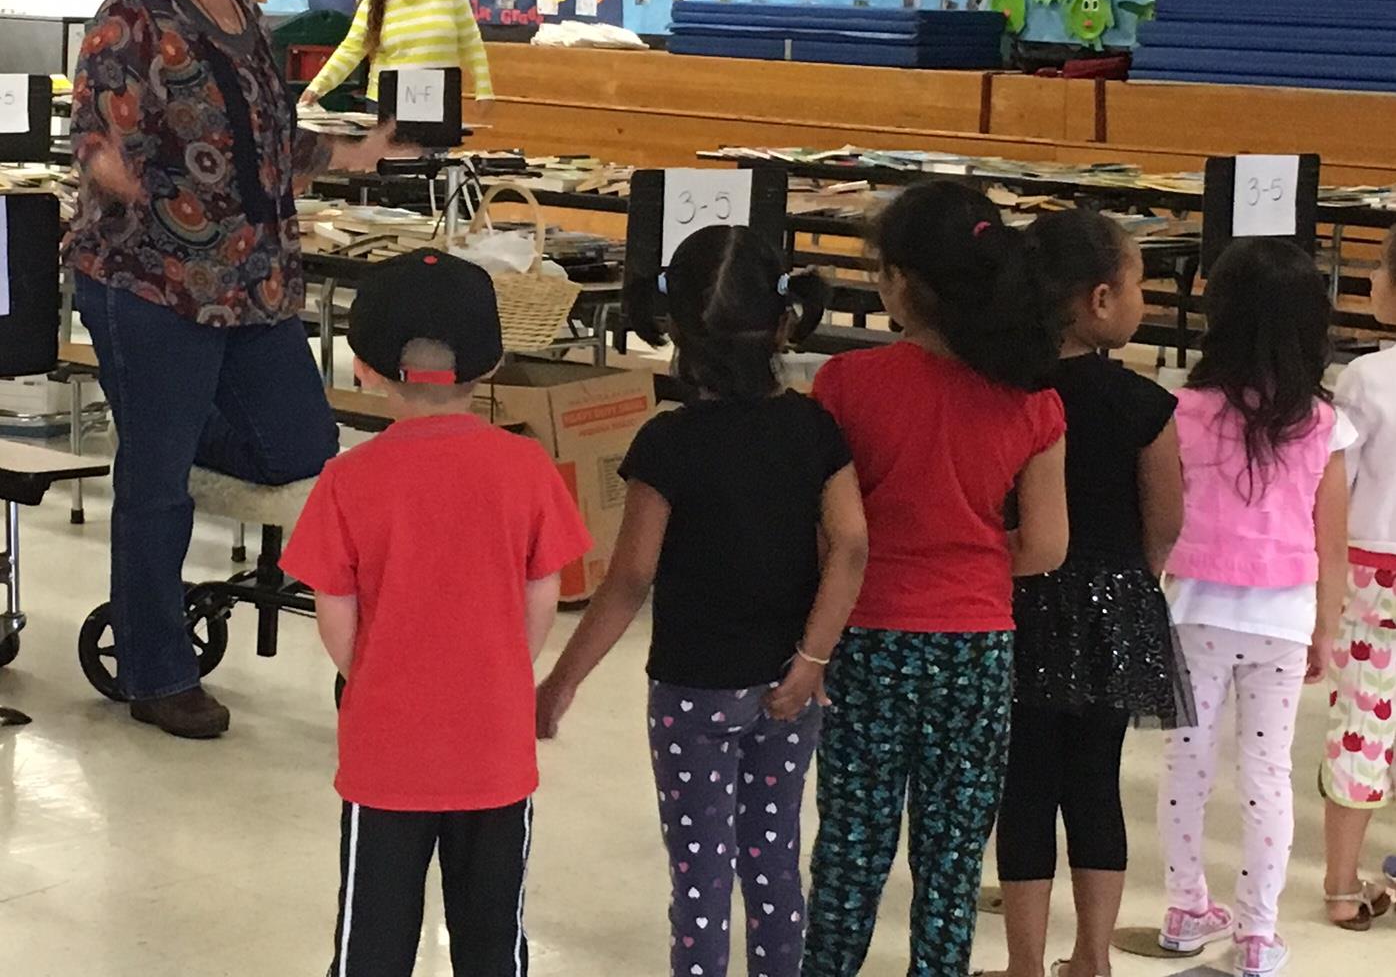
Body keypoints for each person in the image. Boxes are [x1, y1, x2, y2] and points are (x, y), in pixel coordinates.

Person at [65, 0, 402, 739]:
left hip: (252, 284)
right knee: (155, 488)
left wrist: (353, 153)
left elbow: (266, 139)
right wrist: (108, 168)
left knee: (302, 444)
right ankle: (156, 672)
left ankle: (166, 427)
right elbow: (94, 133)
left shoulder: (243, 14)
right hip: (152, 282)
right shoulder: (133, 17)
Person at [536, 226, 868, 977]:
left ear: (675, 331)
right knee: (775, 864)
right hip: (789, 683)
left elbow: (630, 579)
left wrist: (561, 682)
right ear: (783, 324)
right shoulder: (814, 427)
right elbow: (851, 544)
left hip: (692, 691)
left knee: (701, 878)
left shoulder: (666, 443)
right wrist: (813, 659)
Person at [281, 248, 591, 977]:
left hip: (387, 751)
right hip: (493, 748)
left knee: (373, 942)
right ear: (492, 364)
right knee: (492, 942)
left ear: (364, 367)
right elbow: (543, 592)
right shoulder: (527, 468)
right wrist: (505, 667)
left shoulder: (347, 479)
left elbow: (335, 611)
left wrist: (373, 671)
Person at [801, 181, 1069, 977]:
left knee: (852, 844)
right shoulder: (1033, 401)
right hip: (977, 646)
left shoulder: (846, 385)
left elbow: (827, 532)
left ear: (901, 282)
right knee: (951, 857)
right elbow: (1047, 545)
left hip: (866, 639)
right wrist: (974, 554)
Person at [989, 211, 1187, 977]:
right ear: (1101, 299)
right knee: (1096, 783)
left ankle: (1024, 965)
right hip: (1115, 606)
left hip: (1020, 598)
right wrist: (1131, 579)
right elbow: (1164, 522)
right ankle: (1093, 958)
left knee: (1025, 786)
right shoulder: (1144, 404)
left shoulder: (1008, 390)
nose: (1142, 299)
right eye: (1139, 284)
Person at [1157, 239, 1352, 977]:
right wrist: (1326, 628)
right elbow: (1330, 540)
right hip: (1283, 619)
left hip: (1194, 612)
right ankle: (1258, 935)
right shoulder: (1325, 423)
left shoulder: (1184, 410)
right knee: (1266, 775)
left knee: (1187, 763)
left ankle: (1185, 907)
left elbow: (1163, 518)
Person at [1322, 225, 1396, 930]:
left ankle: (1343, 888)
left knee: (1363, 723)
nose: (1371, 280)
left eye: (1379, 268)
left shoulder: (1367, 377)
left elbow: (1333, 482)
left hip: (1373, 571)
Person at [300, 0, 493, 112]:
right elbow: (350, 50)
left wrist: (483, 88)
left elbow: (471, 41)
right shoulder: (374, 1)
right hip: (386, 101)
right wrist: (317, 88)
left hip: (438, 99)